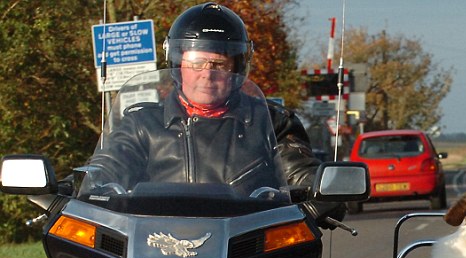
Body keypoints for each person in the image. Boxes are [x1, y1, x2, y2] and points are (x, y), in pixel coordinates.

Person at [88, 2, 342, 224]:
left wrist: (326, 191)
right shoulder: (141, 124)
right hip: (156, 249)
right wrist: (68, 189)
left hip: (249, 254)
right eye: (196, 63)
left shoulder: (271, 122)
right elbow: (105, 169)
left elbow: (300, 173)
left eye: (219, 64)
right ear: (178, 65)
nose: (207, 73)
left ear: (237, 68)